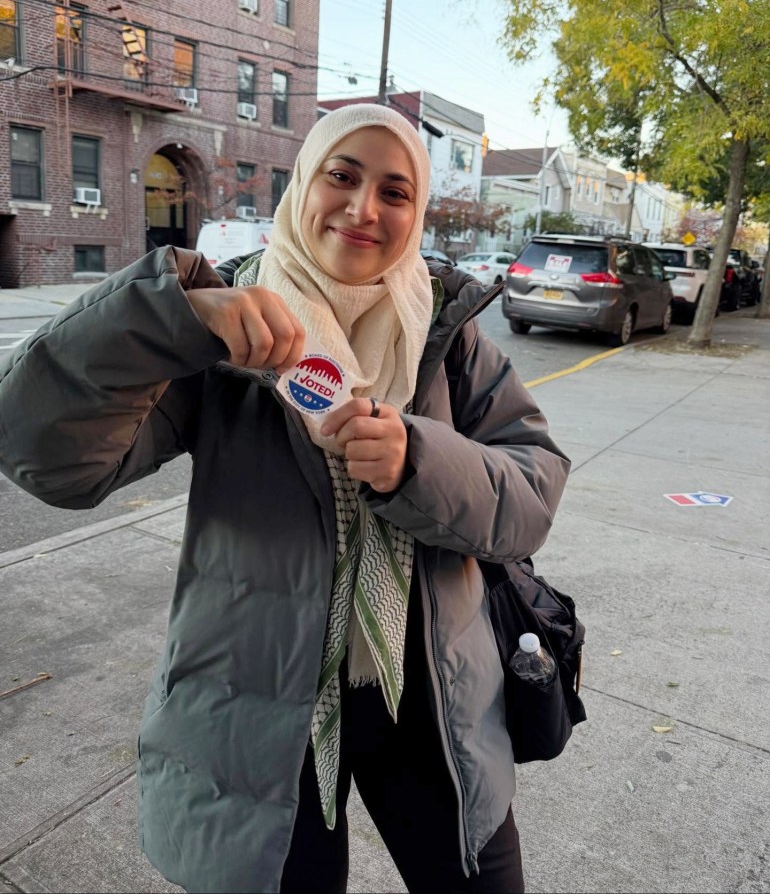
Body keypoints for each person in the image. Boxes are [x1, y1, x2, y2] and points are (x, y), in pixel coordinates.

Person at [0, 104, 570, 894]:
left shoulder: (449, 329)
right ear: (304, 183)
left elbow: (533, 490)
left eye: (395, 190)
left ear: (418, 210)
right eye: (342, 175)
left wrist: (418, 459)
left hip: (431, 692)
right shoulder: (227, 323)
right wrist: (170, 321)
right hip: (262, 703)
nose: (363, 207)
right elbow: (47, 459)